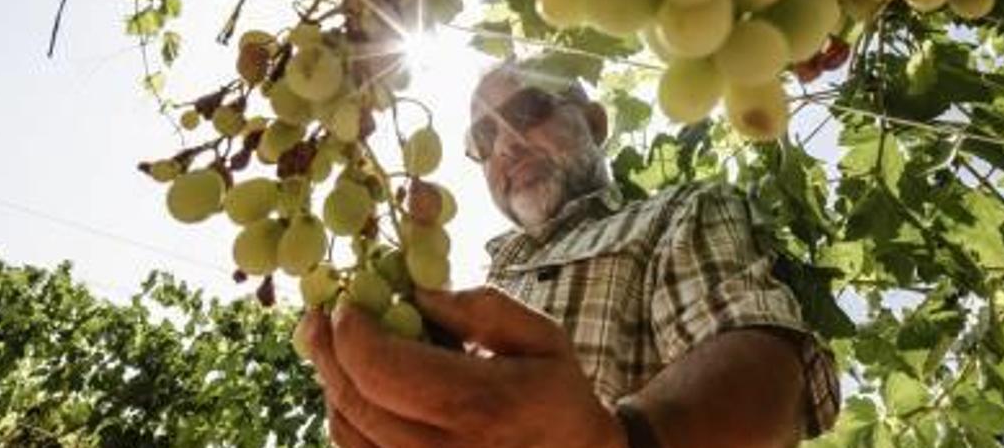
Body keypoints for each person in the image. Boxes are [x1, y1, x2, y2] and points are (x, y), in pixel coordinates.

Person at [303, 60, 840, 447]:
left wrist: (622, 441)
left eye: (529, 109)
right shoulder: (463, 290)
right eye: (483, 138)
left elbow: (764, 372)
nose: (507, 144)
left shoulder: (676, 212)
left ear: (596, 122)